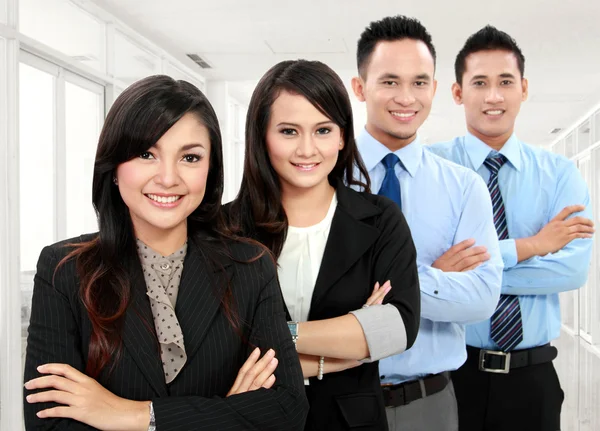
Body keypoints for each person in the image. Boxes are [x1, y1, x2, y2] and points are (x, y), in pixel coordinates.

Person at [23, 75, 309, 431]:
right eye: (146, 154)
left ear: (210, 169)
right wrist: (225, 414)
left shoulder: (250, 266)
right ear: (113, 168)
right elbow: (49, 425)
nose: (168, 178)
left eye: (190, 157)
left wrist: (133, 415)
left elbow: (287, 410)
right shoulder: (63, 269)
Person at [226, 59, 421, 431]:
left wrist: (275, 335)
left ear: (343, 136)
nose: (306, 149)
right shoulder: (223, 229)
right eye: (288, 131)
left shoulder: (380, 220)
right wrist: (350, 339)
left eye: (322, 130)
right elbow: (215, 350)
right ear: (261, 136)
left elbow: (396, 328)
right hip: (250, 420)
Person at [429, 25, 595, 431]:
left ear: (523, 88)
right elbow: (423, 270)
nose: (493, 96)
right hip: (449, 376)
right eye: (479, 83)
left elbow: (572, 270)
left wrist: (471, 274)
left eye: (505, 82)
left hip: (531, 378)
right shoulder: (432, 169)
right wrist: (534, 246)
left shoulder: (559, 175)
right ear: (457, 92)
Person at [351, 16, 504, 431]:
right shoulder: (323, 176)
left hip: (426, 403)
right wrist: (431, 278)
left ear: (435, 89)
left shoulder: (463, 187)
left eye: (420, 82)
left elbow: (482, 298)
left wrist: (378, 283)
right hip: (333, 398)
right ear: (360, 87)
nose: (406, 97)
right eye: (389, 81)